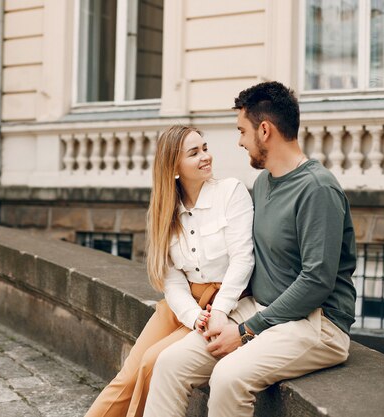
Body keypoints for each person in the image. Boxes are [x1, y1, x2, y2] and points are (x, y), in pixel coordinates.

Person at [143, 81, 357, 417]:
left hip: (317, 322)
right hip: (261, 309)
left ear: (265, 130)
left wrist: (245, 331)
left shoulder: (317, 189)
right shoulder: (263, 183)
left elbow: (316, 281)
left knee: (228, 376)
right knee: (170, 363)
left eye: (242, 131)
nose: (240, 141)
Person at [84, 125, 255, 417]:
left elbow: (243, 259)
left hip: (224, 301)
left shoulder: (231, 192)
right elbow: (172, 279)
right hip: (181, 305)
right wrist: (190, 314)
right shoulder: (164, 209)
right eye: (194, 153)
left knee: (153, 362)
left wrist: (218, 312)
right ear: (174, 166)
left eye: (204, 148)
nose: (206, 157)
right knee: (127, 375)